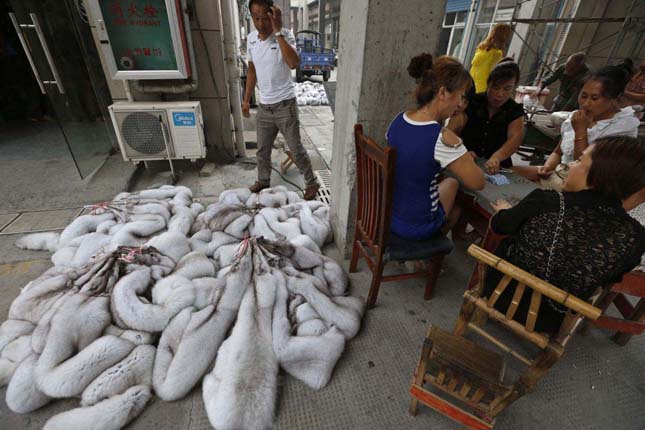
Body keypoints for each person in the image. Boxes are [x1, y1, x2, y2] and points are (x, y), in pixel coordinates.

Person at [486, 136, 645, 335]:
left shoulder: (545, 201)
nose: (570, 164)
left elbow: (500, 226)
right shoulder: (635, 237)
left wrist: (503, 210)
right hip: (555, 320)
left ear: (596, 176)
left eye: (580, 161)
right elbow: (610, 278)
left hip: (502, 295)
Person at [386, 54, 485, 241]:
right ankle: (428, 255)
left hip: (391, 215)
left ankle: (428, 256)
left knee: (441, 187)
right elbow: (478, 182)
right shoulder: (442, 138)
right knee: (454, 188)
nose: (460, 104)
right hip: (415, 226)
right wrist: (459, 151)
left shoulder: (398, 120)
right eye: (460, 96)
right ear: (442, 93)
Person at [243, 0, 319, 200]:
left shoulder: (285, 35)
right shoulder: (251, 39)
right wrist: (245, 99)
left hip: (285, 105)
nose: (260, 23)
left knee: (296, 149)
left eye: (264, 17)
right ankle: (263, 179)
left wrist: (277, 31)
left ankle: (312, 183)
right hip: (264, 107)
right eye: (256, 17)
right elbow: (252, 70)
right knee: (262, 150)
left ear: (272, 14)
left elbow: (294, 63)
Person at [515, 66, 640, 188]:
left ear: (614, 99)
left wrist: (580, 131)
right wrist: (548, 166)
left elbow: (585, 170)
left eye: (594, 98)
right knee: (505, 172)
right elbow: (558, 151)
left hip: (582, 188)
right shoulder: (575, 117)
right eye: (584, 96)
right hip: (558, 176)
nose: (586, 103)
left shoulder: (623, 127)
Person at [460, 60, 525, 174]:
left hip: (496, 167)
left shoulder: (514, 110)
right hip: (465, 160)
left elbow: (515, 139)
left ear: (514, 87)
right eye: (495, 87)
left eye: (507, 89)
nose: (500, 94)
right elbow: (453, 130)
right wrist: (460, 150)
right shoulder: (472, 102)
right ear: (488, 84)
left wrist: (497, 157)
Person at [469, 23, 513, 93]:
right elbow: (493, 72)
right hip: (482, 87)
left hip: (471, 82)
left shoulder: (482, 47)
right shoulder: (497, 53)